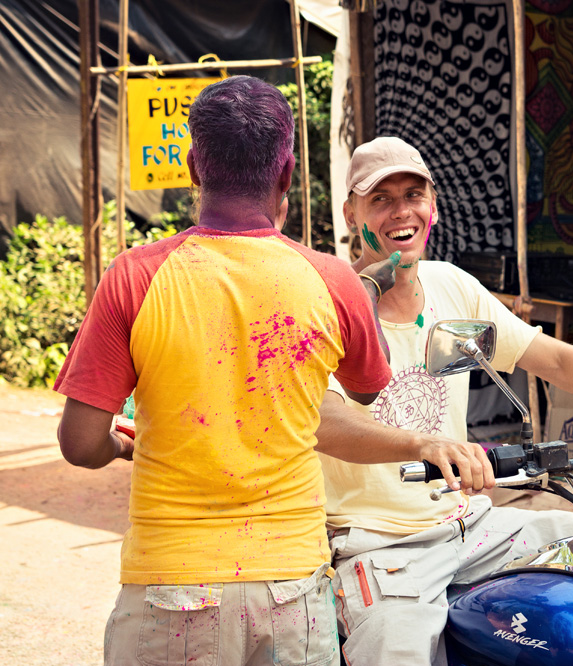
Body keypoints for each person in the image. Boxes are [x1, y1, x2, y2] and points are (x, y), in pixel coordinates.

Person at [320, 136, 573, 665]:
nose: (401, 212)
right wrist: (423, 444)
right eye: (380, 200)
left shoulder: (451, 287)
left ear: (433, 205)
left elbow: (555, 360)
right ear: (351, 213)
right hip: (382, 545)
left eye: (413, 195)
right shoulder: (330, 304)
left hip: (471, 526)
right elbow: (322, 421)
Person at [54, 75, 395, 666]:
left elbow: (80, 444)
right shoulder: (332, 280)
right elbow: (367, 389)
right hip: (290, 586)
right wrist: (363, 291)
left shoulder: (135, 275)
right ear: (287, 174)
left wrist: (121, 445)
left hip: (169, 584)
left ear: (193, 168)